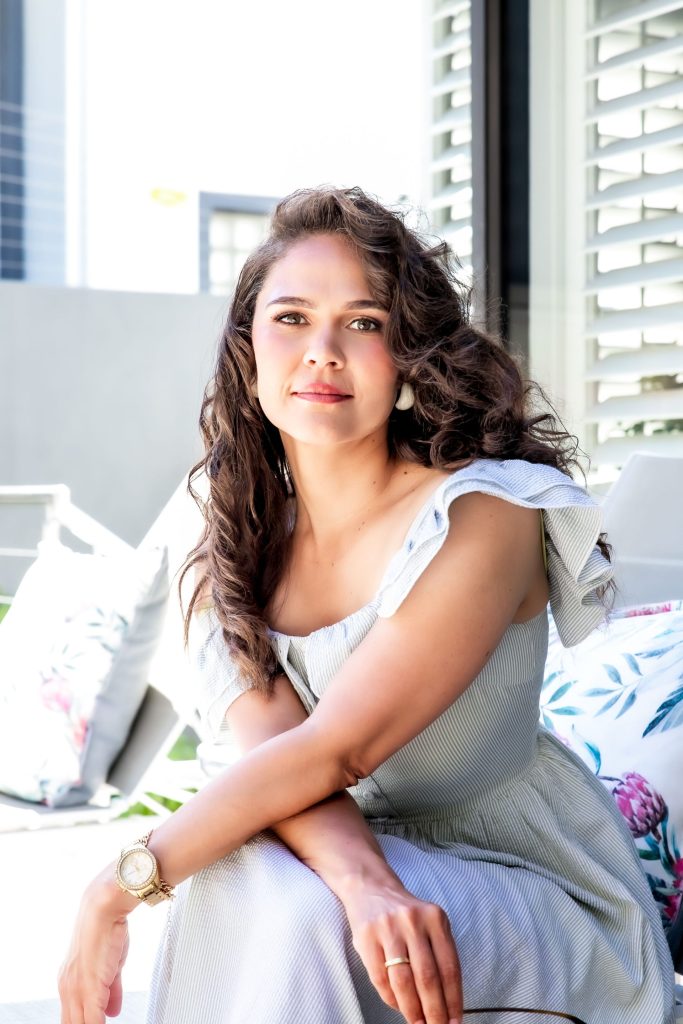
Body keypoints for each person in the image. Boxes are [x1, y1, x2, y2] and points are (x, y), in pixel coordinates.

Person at [58, 186, 676, 1024]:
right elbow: (279, 761)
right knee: (266, 881)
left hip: (522, 879)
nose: (321, 352)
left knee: (284, 902)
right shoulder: (229, 550)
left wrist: (118, 886)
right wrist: (361, 879)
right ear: (246, 352)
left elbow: (334, 751)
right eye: (290, 319)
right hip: (340, 871)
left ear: (409, 357)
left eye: (362, 322)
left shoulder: (484, 514)